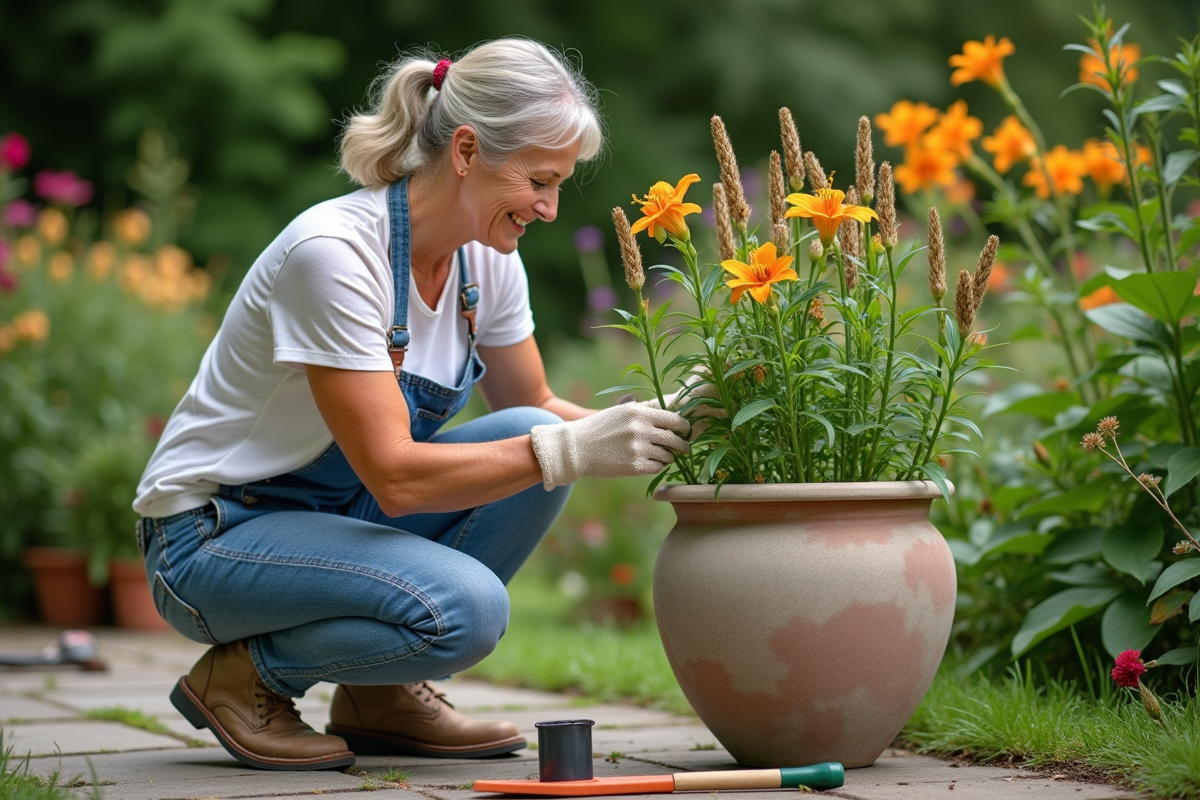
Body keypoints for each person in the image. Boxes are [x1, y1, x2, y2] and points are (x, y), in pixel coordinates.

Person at [132, 38, 694, 772]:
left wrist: (675, 421)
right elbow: (395, 477)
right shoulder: (334, 256)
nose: (550, 209)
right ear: (466, 150)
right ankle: (244, 679)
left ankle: (381, 696)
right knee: (470, 607)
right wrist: (571, 450)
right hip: (211, 538)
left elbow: (537, 409)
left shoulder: (488, 262)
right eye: (538, 180)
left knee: (530, 433)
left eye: (560, 185)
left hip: (330, 521)